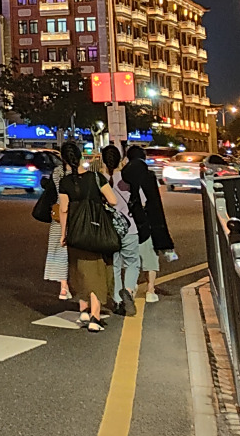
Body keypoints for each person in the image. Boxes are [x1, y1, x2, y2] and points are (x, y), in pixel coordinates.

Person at [58, 139, 117, 331]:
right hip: (95, 230)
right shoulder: (96, 177)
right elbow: (113, 200)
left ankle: (83, 311)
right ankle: (95, 318)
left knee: (79, 272)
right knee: (96, 275)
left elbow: (64, 210)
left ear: (64, 160)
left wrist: (63, 234)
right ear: (82, 156)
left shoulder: (65, 182)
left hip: (75, 232)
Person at [122, 144, 177, 304]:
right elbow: (154, 202)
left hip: (129, 224)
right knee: (150, 258)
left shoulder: (123, 176)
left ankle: (130, 289)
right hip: (148, 223)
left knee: (131, 260)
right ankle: (151, 289)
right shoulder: (148, 176)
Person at [99, 144, 141, 316]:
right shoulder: (126, 179)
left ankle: (117, 300)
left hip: (109, 230)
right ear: (120, 160)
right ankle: (129, 291)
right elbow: (142, 201)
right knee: (132, 263)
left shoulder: (99, 180)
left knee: (115, 264)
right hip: (129, 227)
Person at [35, 154, 69, 299]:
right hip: (78, 215)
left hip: (58, 214)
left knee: (60, 250)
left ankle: (63, 287)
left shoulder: (57, 172)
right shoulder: (80, 174)